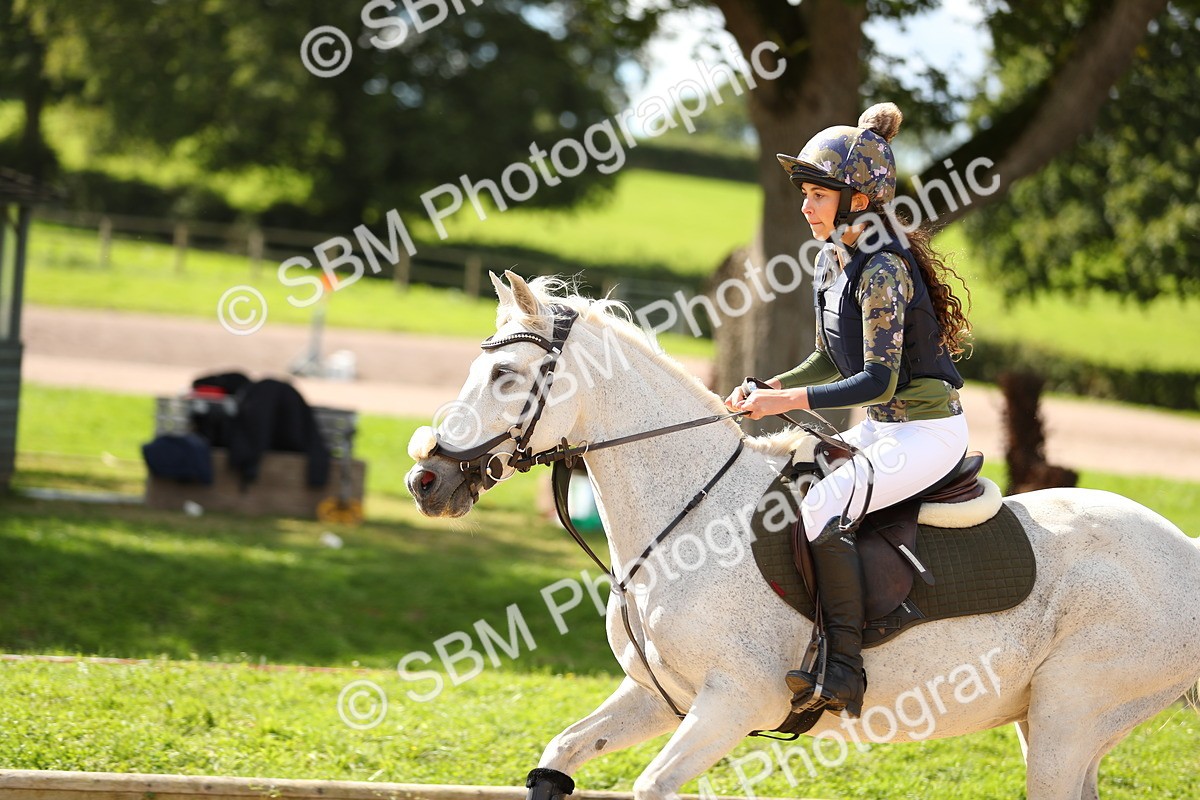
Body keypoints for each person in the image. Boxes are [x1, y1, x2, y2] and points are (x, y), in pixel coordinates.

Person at [724, 102, 972, 717]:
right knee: (786, 486)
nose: (806, 206)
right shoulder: (831, 259)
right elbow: (828, 360)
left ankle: (845, 670)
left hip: (926, 434)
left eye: (817, 194)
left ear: (857, 199)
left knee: (820, 503)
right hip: (883, 430)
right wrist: (769, 386)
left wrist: (785, 401)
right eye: (805, 193)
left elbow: (878, 381)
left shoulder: (883, 268)